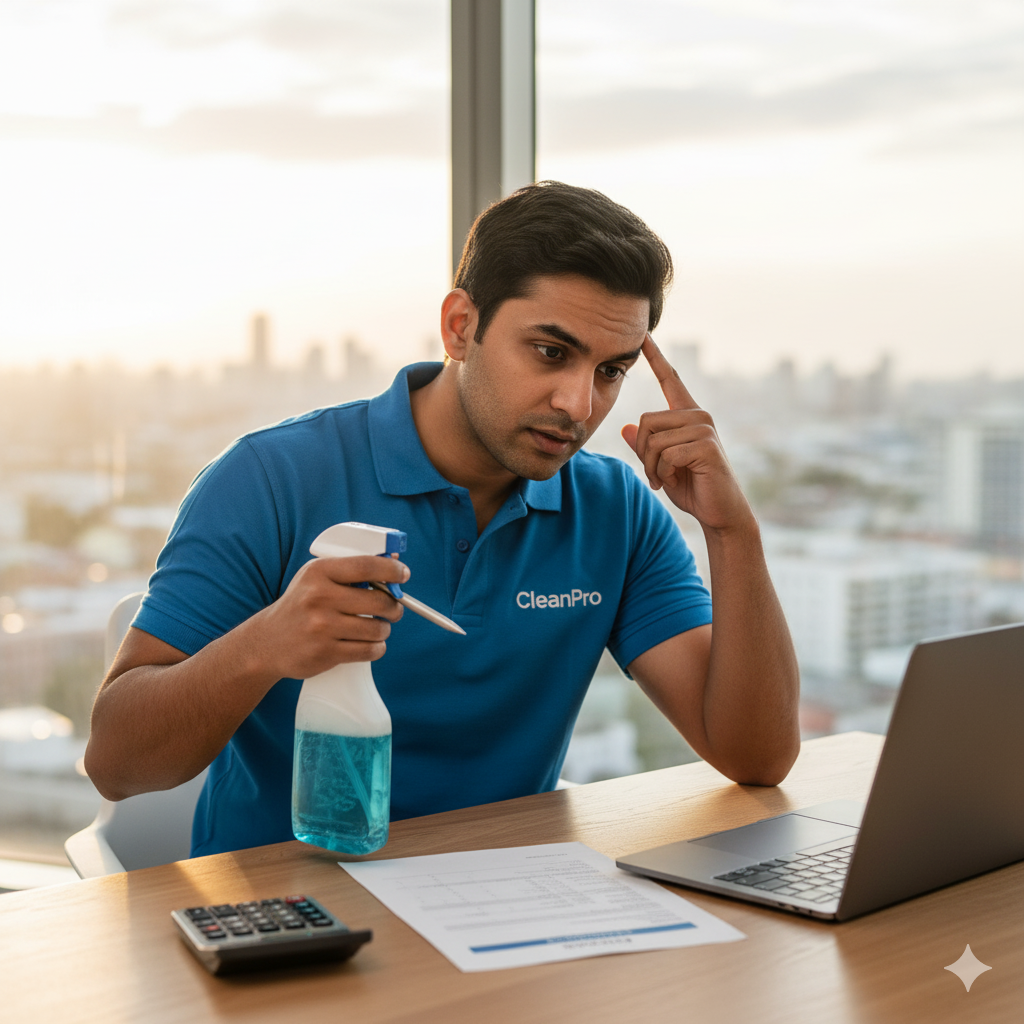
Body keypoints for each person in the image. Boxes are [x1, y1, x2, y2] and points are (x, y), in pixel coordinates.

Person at [85, 181, 800, 857]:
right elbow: (116, 764)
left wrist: (733, 533)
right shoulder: (270, 477)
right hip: (289, 913)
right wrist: (266, 644)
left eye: (611, 370)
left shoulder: (616, 510)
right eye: (551, 353)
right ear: (461, 327)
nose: (579, 404)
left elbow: (756, 757)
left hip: (501, 912)